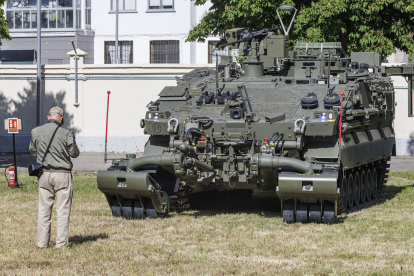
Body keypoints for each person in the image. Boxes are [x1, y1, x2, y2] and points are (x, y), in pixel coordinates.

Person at [29, 107, 80, 249]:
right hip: (62, 175)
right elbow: (75, 153)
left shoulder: (36, 131)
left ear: (48, 116)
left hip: (44, 174)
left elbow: (32, 150)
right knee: (63, 210)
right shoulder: (66, 133)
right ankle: (61, 244)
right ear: (61, 117)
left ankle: (41, 243)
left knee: (44, 210)